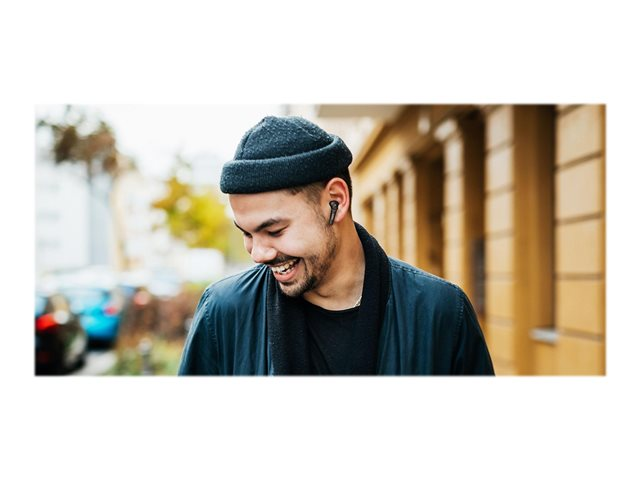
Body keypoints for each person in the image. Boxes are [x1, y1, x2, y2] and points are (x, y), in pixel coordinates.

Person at [178, 116, 494, 375]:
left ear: (336, 201)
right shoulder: (222, 313)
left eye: (274, 230)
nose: (258, 254)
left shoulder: (441, 312)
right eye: (247, 234)